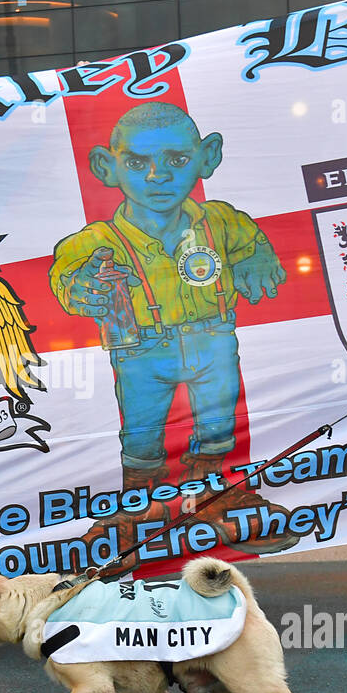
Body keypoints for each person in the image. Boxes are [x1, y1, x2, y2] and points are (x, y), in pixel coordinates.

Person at [49, 102, 293, 558]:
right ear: (107, 167)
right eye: (138, 163)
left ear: (208, 157)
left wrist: (258, 258)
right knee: (141, 434)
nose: (158, 176)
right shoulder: (92, 240)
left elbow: (253, 245)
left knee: (220, 424)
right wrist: (80, 287)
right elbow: (67, 278)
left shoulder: (222, 220)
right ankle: (139, 509)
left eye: (177, 161)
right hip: (141, 351)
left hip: (213, 339)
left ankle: (213, 497)